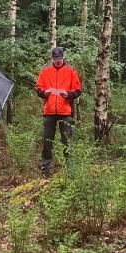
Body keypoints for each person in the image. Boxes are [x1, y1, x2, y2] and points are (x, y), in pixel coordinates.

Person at [36, 47, 81, 177]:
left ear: (63, 57)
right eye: (55, 59)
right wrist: (44, 93)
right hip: (49, 111)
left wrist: (68, 94)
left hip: (66, 112)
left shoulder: (71, 71)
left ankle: (70, 172)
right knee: (47, 142)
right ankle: (46, 171)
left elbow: (78, 90)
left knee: (67, 142)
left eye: (60, 59)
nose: (58, 61)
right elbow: (39, 89)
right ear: (52, 59)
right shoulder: (45, 71)